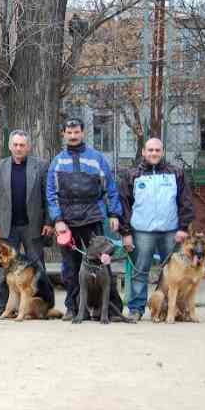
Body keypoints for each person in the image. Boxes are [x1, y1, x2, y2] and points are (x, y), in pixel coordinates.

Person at [46, 118, 123, 321]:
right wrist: (58, 219)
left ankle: (108, 309)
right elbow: (51, 194)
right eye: (69, 132)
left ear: (83, 133)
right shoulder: (57, 161)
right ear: (63, 134)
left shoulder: (97, 158)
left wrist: (114, 214)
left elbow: (111, 189)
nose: (73, 136)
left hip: (93, 218)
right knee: (70, 267)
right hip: (67, 222)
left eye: (76, 132)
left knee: (102, 264)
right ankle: (73, 308)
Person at [119, 137, 195, 321]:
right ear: (144, 152)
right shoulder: (132, 175)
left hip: (171, 231)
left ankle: (174, 309)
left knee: (174, 273)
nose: (154, 153)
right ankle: (136, 309)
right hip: (141, 231)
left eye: (157, 150)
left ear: (162, 152)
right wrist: (126, 233)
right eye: (150, 150)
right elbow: (124, 205)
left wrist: (183, 228)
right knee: (140, 270)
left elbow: (186, 202)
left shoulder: (176, 173)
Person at [0, 130, 53, 315]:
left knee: (39, 268)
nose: (18, 148)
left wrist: (49, 222)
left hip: (33, 225)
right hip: (7, 227)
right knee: (5, 271)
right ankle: (3, 309)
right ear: (10, 146)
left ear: (28, 147)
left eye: (22, 145)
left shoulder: (41, 166)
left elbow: (47, 197)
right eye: (15, 145)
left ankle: (44, 307)